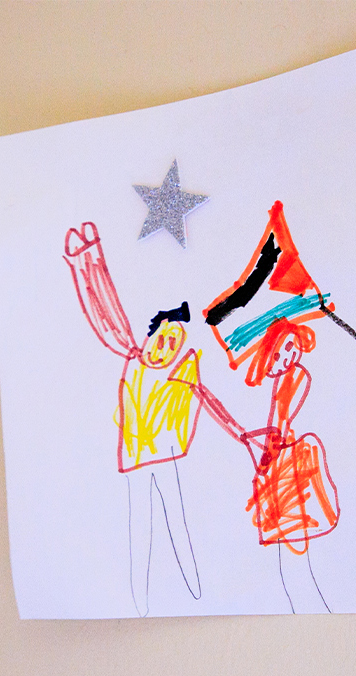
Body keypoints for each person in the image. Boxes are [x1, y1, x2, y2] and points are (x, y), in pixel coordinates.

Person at [64, 222, 244, 617]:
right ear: (150, 335)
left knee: (176, 520)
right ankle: (140, 604)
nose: (166, 346)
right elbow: (104, 314)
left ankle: (196, 592)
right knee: (140, 529)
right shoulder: (132, 357)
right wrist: (86, 260)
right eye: (163, 337)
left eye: (174, 343)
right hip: (134, 461)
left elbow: (211, 403)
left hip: (164, 456)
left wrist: (242, 435)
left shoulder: (181, 372)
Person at [240, 318, 339, 613]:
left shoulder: (294, 378)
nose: (287, 357)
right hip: (288, 457)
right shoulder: (284, 378)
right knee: (292, 549)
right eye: (278, 355)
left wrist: (264, 462)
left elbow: (280, 426)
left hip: (293, 462)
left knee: (294, 544)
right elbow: (276, 426)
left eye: (289, 348)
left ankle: (309, 611)